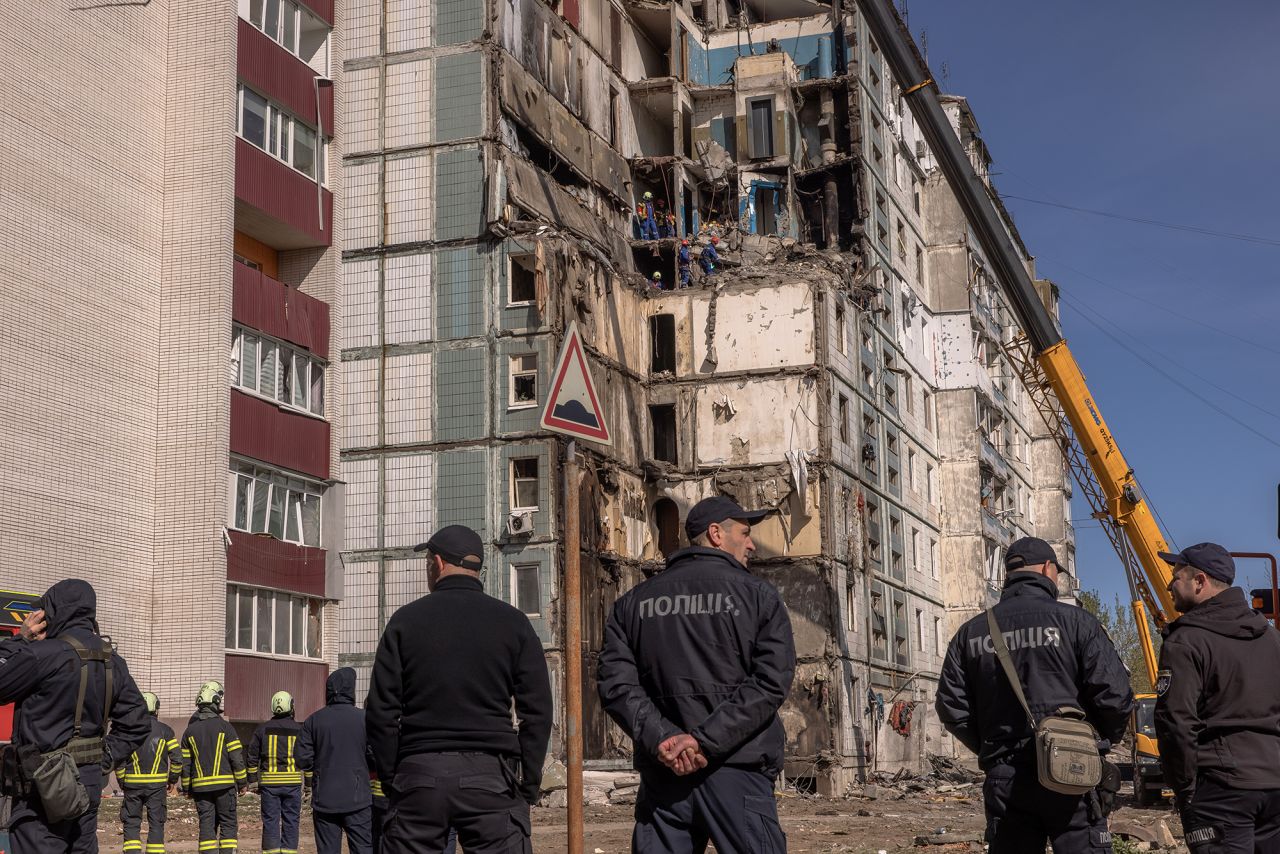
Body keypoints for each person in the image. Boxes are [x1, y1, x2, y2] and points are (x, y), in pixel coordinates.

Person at [598, 496, 795, 853]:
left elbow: (617, 687)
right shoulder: (758, 597)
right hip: (737, 772)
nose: (751, 544)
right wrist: (703, 742)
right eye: (746, 533)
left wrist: (664, 740)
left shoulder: (633, 603)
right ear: (716, 534)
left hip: (665, 779)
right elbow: (769, 682)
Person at [935, 537, 1133, 853]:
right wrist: (1095, 743)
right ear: (1047, 569)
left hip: (1007, 775)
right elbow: (1115, 695)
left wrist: (993, 746)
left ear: (1008, 575)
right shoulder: (1076, 622)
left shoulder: (971, 633)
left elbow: (951, 708)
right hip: (1073, 769)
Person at [367, 524, 553, 854]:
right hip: (492, 776)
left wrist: (394, 776)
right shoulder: (513, 623)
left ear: (436, 563)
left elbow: (381, 712)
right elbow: (537, 711)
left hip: (419, 773)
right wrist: (527, 781)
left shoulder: (404, 622)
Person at [0, 580, 149, 854]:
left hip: (42, 789)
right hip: (87, 785)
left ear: (54, 613)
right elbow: (137, 722)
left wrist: (19, 639)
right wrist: (104, 757)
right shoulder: (112, 661)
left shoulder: (42, 656)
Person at [1153, 543, 1280, 852]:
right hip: (1274, 783)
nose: (1170, 584)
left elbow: (1176, 723)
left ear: (1200, 581)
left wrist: (1185, 789)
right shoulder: (1271, 637)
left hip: (1221, 788)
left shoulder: (1186, 640)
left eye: (1176, 576)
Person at [298, 669, 372, 854]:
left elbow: (302, 759)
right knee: (363, 849)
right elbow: (377, 755)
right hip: (358, 798)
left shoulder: (313, 721)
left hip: (325, 799)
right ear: (351, 690)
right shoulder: (365, 719)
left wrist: (322, 767)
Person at [180, 681, 247, 854]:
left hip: (201, 789)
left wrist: (187, 788)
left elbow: (186, 764)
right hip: (225, 788)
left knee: (206, 825)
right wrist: (242, 783)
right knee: (228, 823)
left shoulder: (189, 732)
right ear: (216, 701)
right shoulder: (226, 727)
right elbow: (237, 759)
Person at [117, 691, 182, 854]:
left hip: (132, 786)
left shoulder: (129, 731)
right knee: (156, 822)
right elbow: (177, 759)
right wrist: (172, 780)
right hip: (157, 787)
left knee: (131, 822)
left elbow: (119, 761)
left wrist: (122, 782)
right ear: (156, 710)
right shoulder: (166, 731)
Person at [247, 691, 304, 854]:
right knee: (291, 821)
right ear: (291, 707)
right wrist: (308, 785)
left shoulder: (261, 730)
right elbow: (306, 758)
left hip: (269, 786)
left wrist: (252, 780)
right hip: (292, 784)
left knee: (271, 821)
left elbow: (252, 756)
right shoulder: (299, 730)